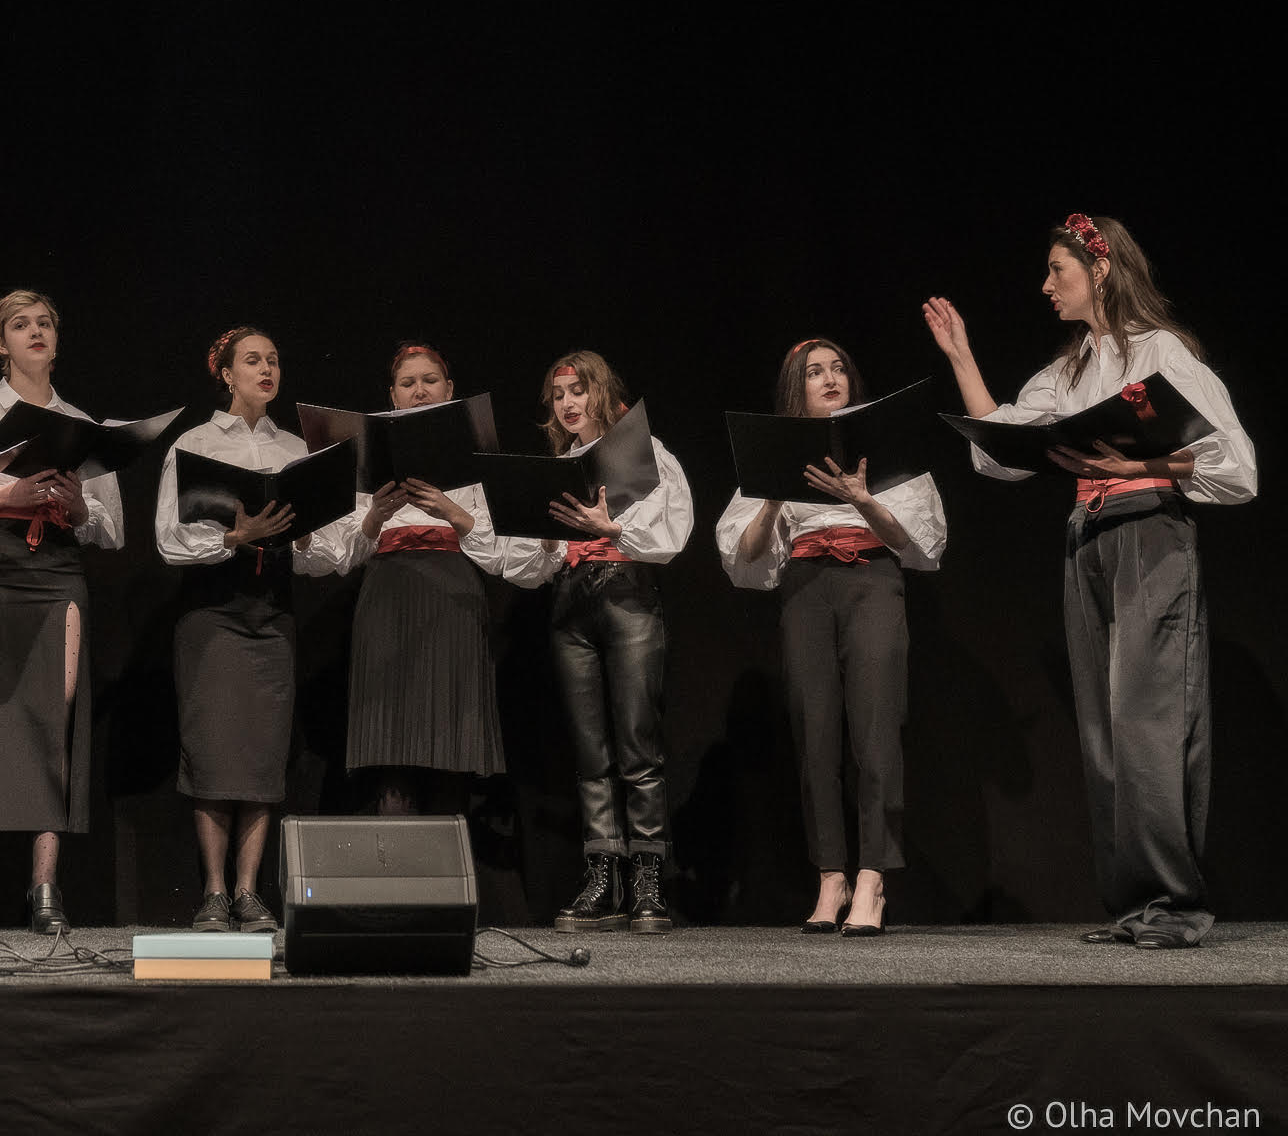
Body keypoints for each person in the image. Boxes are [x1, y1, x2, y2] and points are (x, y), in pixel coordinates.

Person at [923, 213, 1256, 949]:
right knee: (1104, 726)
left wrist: (1146, 465)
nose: (1046, 286)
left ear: (1100, 269)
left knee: (1148, 720)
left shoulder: (1160, 351)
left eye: (1057, 271)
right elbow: (1005, 447)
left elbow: (1239, 467)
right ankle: (1133, 903)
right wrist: (962, 355)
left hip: (1150, 531)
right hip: (1087, 538)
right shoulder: (1070, 369)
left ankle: (1173, 900)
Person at [714, 338, 946, 937]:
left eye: (839, 367)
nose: (831, 378)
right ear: (798, 388)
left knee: (876, 727)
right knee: (814, 727)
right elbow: (745, 558)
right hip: (806, 586)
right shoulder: (778, 452)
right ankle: (830, 875)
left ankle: (872, 876)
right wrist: (770, 497)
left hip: (872, 577)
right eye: (815, 372)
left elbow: (920, 542)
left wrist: (863, 500)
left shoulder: (882, 445)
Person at [0, 290, 124, 934]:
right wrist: (5, 493)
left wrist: (77, 508)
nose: (35, 332)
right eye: (21, 324)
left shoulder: (78, 421)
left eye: (45, 322)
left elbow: (111, 527)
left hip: (58, 573)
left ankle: (45, 886)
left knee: (55, 720)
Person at [154, 326, 343, 931]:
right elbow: (168, 540)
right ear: (226, 373)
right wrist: (235, 537)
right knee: (212, 754)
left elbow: (328, 556)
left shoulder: (297, 449)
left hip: (272, 611)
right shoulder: (196, 442)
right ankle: (211, 891)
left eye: (274, 361)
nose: (266, 370)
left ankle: (248, 891)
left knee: (263, 757)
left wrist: (305, 530)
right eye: (252, 361)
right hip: (212, 612)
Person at [501, 351, 693, 933]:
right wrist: (549, 541)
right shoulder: (557, 465)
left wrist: (614, 528)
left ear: (601, 393)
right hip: (572, 603)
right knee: (590, 753)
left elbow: (674, 532)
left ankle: (649, 878)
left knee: (638, 742)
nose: (568, 404)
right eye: (558, 395)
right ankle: (601, 875)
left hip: (628, 591)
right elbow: (531, 559)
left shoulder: (646, 453)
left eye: (577, 391)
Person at [309, 342, 513, 814]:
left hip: (453, 597)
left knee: (450, 741)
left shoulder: (475, 451)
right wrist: (375, 516)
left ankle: (449, 864)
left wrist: (449, 510)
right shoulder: (369, 452)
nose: (419, 390)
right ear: (393, 396)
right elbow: (342, 553)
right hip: (387, 594)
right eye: (408, 383)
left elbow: (502, 551)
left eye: (429, 381)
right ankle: (394, 872)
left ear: (449, 389)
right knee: (390, 743)